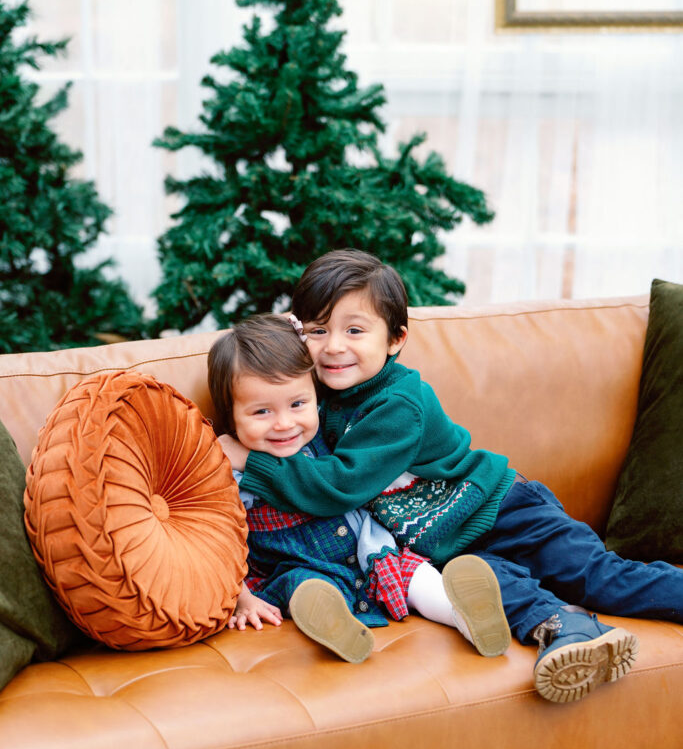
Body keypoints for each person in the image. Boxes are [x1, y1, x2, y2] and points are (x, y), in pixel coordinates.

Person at [223, 250, 683, 703]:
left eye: (355, 330)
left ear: (396, 339)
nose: (334, 346)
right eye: (319, 331)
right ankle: (571, 631)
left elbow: (340, 485)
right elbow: (272, 364)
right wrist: (286, 337)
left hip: (501, 508)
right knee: (491, 588)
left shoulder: (399, 403)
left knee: (597, 576)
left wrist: (250, 459)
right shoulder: (313, 391)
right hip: (450, 543)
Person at [208, 313, 511, 664]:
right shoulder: (228, 474)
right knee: (306, 589)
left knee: (417, 576)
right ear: (231, 418)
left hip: (369, 549)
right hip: (299, 567)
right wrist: (242, 598)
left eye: (297, 404)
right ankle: (338, 629)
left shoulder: (331, 432)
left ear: (314, 396)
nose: (285, 424)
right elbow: (219, 542)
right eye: (262, 412)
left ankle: (468, 616)